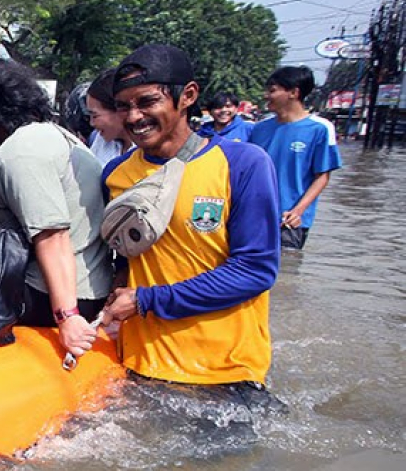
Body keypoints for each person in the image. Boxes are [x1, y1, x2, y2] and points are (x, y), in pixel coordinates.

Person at [100, 44, 280, 387]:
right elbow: (120, 257)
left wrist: (145, 300)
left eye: (147, 102)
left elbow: (255, 271)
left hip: (226, 373)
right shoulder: (114, 174)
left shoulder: (243, 165)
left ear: (188, 96)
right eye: (124, 106)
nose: (134, 117)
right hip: (140, 364)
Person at [0, 59, 112, 360]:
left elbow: (52, 236)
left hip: (53, 294)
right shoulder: (54, 134)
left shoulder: (23, 149)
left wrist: (67, 317)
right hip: (84, 282)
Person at [248, 66, 342, 250]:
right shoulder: (259, 129)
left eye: (272, 90)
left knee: (287, 272)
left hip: (289, 220)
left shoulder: (320, 129)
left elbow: (322, 176)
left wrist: (299, 210)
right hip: (253, 216)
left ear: (293, 92)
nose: (266, 95)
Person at [85, 68, 130, 166]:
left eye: (95, 116)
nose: (92, 123)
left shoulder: (150, 149)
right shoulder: (101, 142)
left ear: (119, 110)